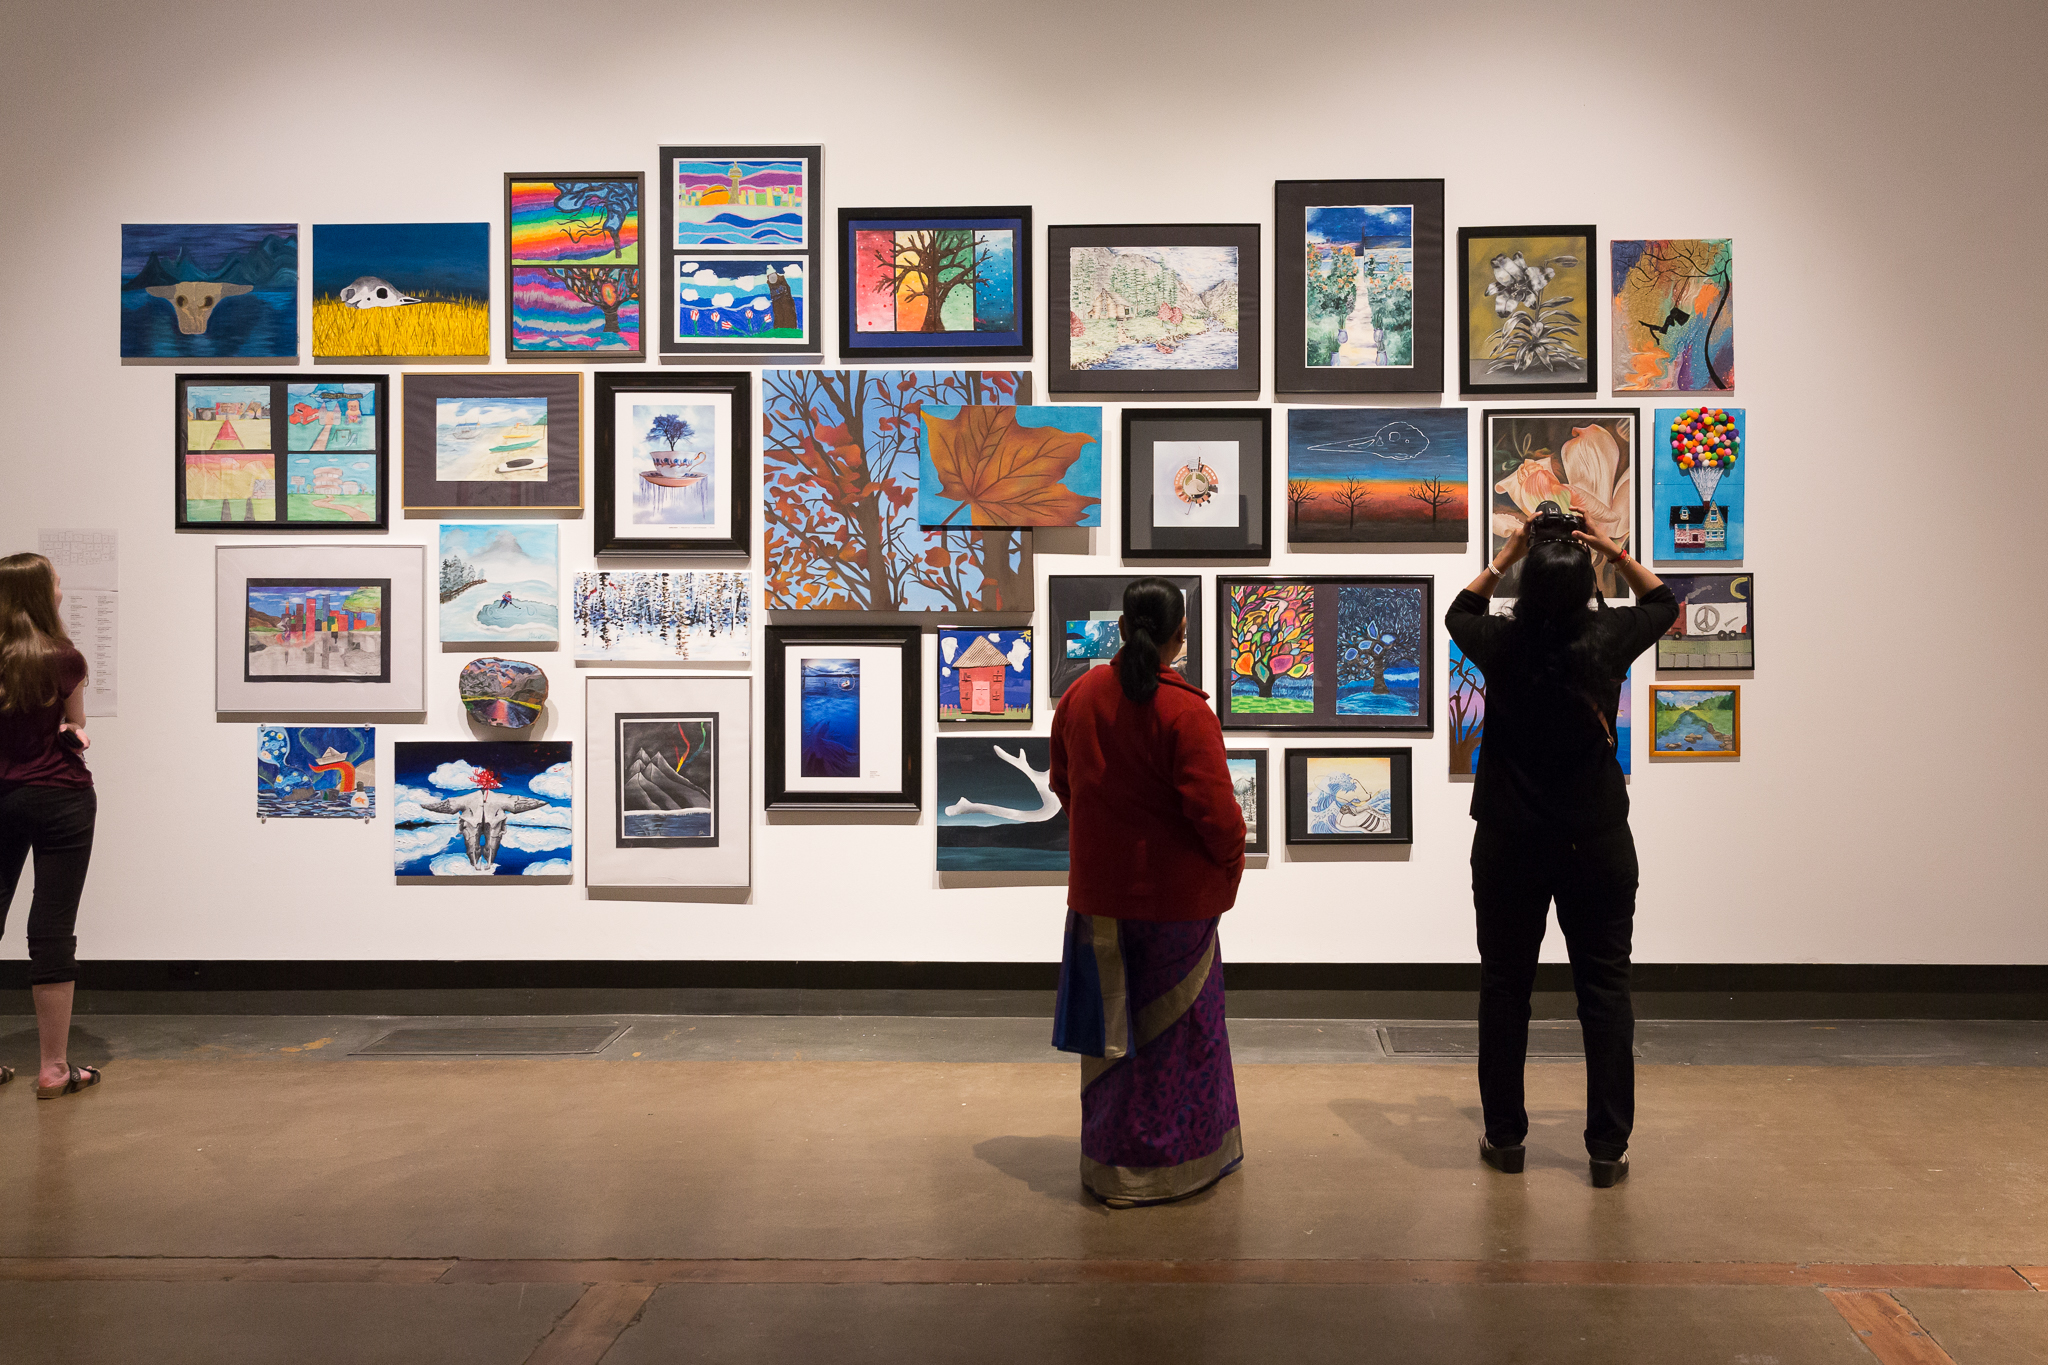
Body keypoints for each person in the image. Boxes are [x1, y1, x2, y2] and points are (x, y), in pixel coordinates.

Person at [1445, 520, 1676, 1188]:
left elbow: (1461, 610)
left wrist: (1510, 551)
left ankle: (1507, 1137)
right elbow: (1662, 603)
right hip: (1596, 840)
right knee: (1605, 989)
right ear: (1588, 588)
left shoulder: (1500, 641)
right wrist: (1611, 548)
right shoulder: (1606, 638)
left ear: (1525, 583)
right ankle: (1607, 1148)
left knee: (1505, 986)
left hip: (1510, 840)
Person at [1049, 578, 1246, 1206]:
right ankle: (1177, 1167)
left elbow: (1064, 786)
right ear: (1179, 634)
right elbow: (1217, 816)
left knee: (1111, 1036)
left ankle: (1112, 1168)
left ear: (1122, 626)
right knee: (1180, 1042)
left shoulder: (1079, 697)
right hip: (1176, 908)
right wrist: (1228, 871)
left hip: (1099, 902)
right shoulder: (1186, 712)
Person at [0, 552, 102, 1099]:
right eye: (58, 582)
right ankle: (54, 1070)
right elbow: (75, 725)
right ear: (41, 594)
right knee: (52, 926)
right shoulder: (66, 658)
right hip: (61, 797)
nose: (62, 590)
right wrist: (68, 730)